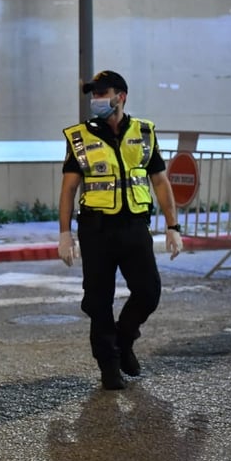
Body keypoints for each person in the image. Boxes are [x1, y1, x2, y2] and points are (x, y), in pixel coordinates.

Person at [57, 70, 182, 391]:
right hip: (96, 230)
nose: (96, 99)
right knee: (98, 301)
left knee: (149, 292)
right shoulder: (80, 137)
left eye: (102, 93)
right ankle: (109, 366)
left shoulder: (143, 133)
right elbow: (69, 189)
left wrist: (173, 226)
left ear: (121, 96)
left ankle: (123, 340)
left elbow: (160, 182)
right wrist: (64, 233)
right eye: (93, 94)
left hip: (134, 226)